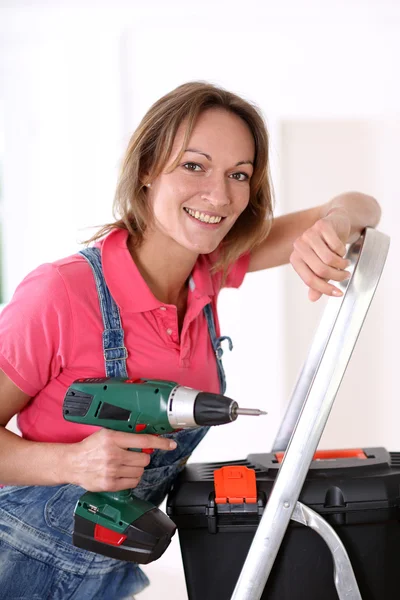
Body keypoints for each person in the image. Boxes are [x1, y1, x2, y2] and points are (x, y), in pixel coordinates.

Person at [0, 81, 381, 599]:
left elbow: (363, 206)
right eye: (194, 166)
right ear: (147, 170)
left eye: (239, 175)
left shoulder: (211, 267)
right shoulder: (62, 293)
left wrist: (332, 225)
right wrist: (67, 463)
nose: (219, 195)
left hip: (103, 576)